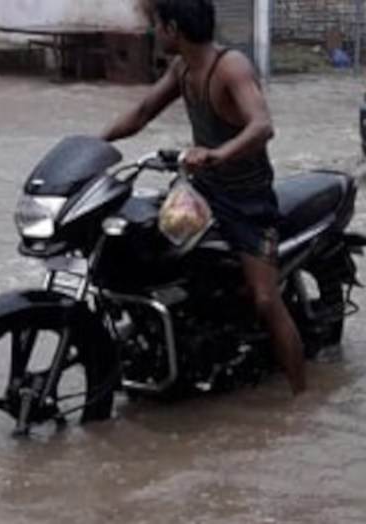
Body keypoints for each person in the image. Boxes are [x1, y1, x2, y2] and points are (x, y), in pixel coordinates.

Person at [100, 0, 306, 395]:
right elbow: (142, 111)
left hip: (248, 202)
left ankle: (300, 398)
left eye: (155, 25)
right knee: (145, 246)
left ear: (173, 28)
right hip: (202, 191)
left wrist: (218, 154)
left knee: (265, 298)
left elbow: (262, 126)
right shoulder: (182, 70)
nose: (153, 33)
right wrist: (92, 145)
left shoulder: (231, 68)